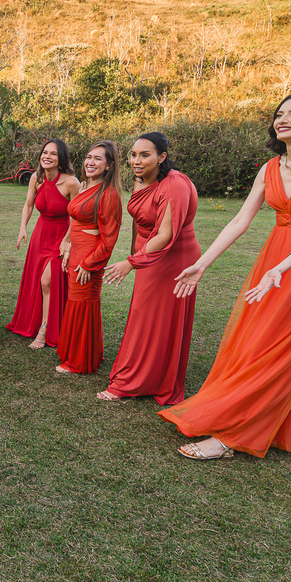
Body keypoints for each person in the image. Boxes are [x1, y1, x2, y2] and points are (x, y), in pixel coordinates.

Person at [159, 92, 291, 460]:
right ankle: (240, 412)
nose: (283, 120)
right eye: (280, 114)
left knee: (285, 342)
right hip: (274, 254)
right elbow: (239, 221)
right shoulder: (270, 167)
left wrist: (282, 267)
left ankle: (233, 436)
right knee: (256, 339)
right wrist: (203, 263)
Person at [100, 133, 201, 404]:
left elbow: (165, 235)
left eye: (145, 155)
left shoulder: (174, 184)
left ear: (162, 157)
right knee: (143, 314)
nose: (136, 160)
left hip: (173, 257)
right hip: (147, 254)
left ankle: (137, 381)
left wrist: (131, 262)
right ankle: (143, 373)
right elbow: (139, 221)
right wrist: (136, 253)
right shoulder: (142, 179)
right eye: (133, 154)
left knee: (156, 318)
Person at [55, 142, 123, 375]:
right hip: (76, 253)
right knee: (75, 303)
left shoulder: (109, 194)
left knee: (83, 305)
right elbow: (76, 221)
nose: (90, 162)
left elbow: (109, 239)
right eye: (88, 157)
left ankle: (79, 361)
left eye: (98, 159)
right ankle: (78, 353)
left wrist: (88, 263)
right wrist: (68, 248)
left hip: (89, 258)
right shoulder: (85, 186)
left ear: (109, 165)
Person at [5, 139, 81, 349]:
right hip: (40, 234)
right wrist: (23, 227)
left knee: (47, 282)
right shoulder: (36, 178)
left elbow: (77, 217)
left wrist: (67, 241)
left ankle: (45, 329)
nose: (47, 156)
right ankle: (32, 321)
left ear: (61, 158)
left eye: (53, 154)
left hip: (61, 235)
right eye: (45, 152)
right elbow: (29, 205)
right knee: (36, 280)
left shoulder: (72, 182)